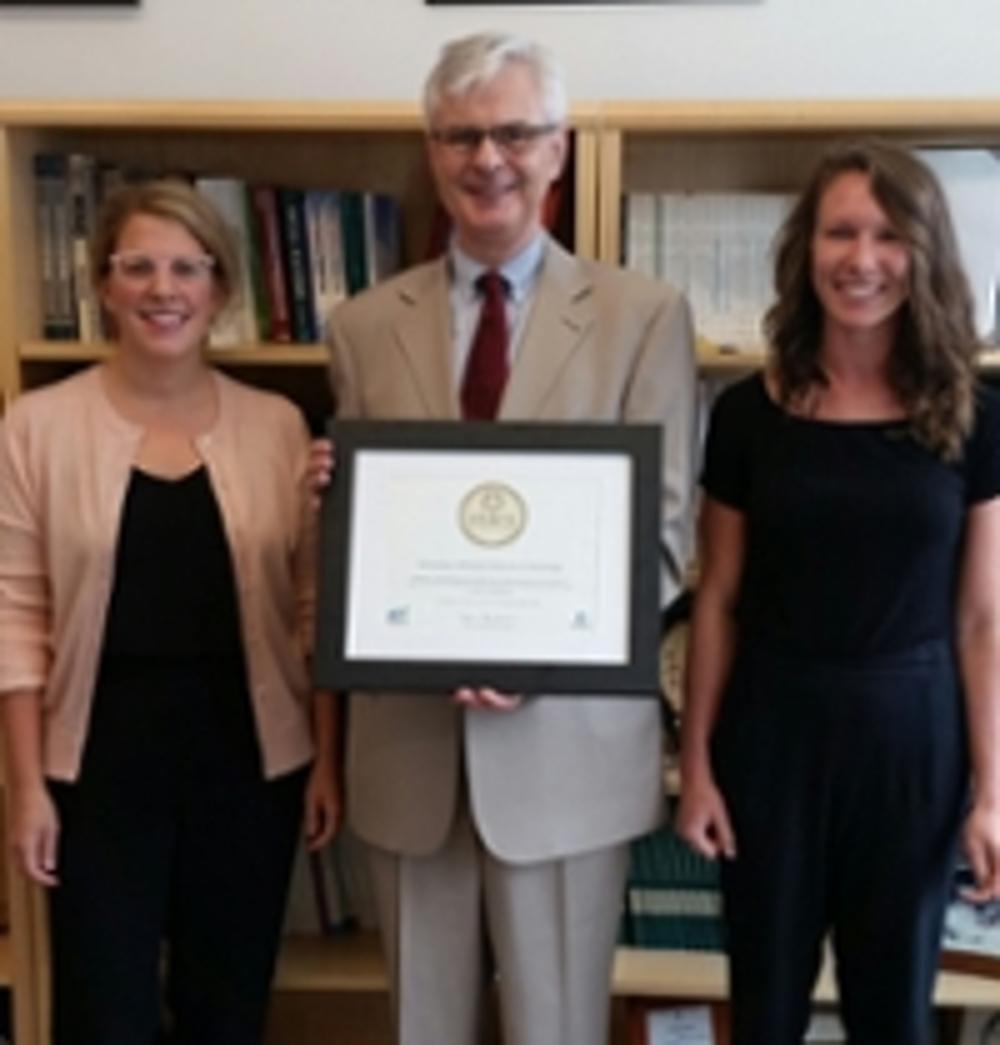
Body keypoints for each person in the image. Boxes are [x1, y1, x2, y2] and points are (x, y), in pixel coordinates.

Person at [320, 31, 698, 1045]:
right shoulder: (360, 325)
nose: (488, 158)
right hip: (408, 745)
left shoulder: (643, 316)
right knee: (422, 1029)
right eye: (461, 135)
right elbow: (367, 533)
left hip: (565, 748)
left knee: (558, 1028)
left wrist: (532, 650)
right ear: (433, 149)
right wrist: (335, 503)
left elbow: (662, 529)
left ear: (558, 148)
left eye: (514, 133)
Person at [0, 180, 339, 1045]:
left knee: (225, 1013)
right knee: (104, 1017)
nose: (164, 288)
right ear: (104, 286)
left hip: (250, 768)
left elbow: (314, 613)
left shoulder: (280, 428)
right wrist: (27, 788)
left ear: (221, 291)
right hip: (96, 774)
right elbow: (15, 618)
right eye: (138, 266)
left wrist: (327, 763)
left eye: (188, 268)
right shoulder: (33, 428)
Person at [676, 140, 1000, 1045]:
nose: (862, 259)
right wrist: (697, 765)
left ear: (924, 251)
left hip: (914, 742)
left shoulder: (975, 413)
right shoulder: (747, 413)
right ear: (804, 248)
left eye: (889, 235)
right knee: (766, 1005)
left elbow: (982, 619)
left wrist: (993, 791)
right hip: (772, 737)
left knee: (894, 1010)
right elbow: (718, 599)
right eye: (841, 232)